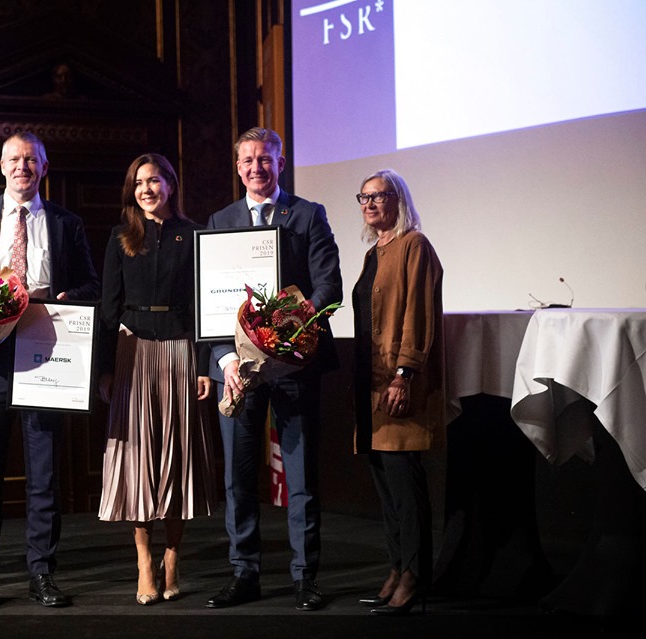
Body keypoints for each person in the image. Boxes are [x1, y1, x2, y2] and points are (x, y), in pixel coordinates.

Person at [0, 131, 100, 612]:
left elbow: (91, 285)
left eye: (31, 159)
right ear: (1, 166)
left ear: (44, 168)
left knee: (44, 474)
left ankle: (42, 573)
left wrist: (67, 300)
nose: (22, 167)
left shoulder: (66, 223)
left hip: (46, 354)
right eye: (14, 159)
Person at [205, 128, 342, 611]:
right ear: (237, 166)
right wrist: (224, 357)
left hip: (293, 364)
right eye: (247, 160)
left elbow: (328, 286)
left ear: (280, 164)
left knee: (301, 476)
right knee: (238, 477)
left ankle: (305, 577)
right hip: (238, 369)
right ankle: (244, 573)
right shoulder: (220, 221)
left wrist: (290, 333)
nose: (256, 168)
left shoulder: (307, 215)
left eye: (264, 159)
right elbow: (209, 300)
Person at [96, 153, 216, 605]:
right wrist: (105, 369)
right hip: (133, 352)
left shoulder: (195, 235)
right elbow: (108, 309)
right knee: (139, 461)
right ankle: (144, 561)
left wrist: (203, 366)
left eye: (154, 180)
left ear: (171, 184)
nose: (147, 189)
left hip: (181, 351)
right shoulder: (120, 237)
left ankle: (172, 556)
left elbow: (204, 307)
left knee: (176, 457)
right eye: (139, 182)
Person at [351, 169, 444, 616]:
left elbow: (417, 314)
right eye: (364, 197)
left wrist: (404, 374)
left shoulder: (414, 245)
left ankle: (414, 575)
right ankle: (396, 567)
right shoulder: (374, 252)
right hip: (369, 385)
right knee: (386, 486)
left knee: (405, 485)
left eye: (379, 196)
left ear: (398, 200)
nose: (369, 204)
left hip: (397, 382)